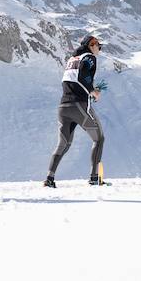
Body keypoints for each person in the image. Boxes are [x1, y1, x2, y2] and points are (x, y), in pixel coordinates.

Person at [44, 34, 106, 187]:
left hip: (63, 107)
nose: (100, 48)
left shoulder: (72, 59)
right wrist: (93, 91)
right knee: (99, 139)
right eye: (98, 45)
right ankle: (94, 178)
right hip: (79, 107)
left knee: (63, 144)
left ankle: (49, 179)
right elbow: (83, 74)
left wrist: (90, 89)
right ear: (91, 45)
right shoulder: (90, 57)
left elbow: (73, 80)